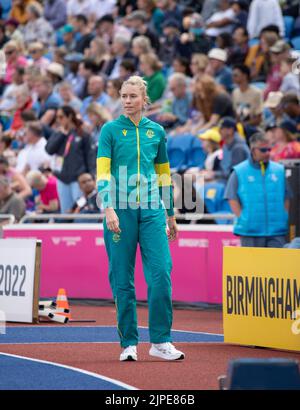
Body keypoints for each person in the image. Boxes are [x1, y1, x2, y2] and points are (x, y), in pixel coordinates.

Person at [97, 75, 185, 361]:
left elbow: (163, 175)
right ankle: (129, 343)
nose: (126, 101)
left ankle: (161, 342)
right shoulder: (109, 131)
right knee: (122, 279)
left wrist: (170, 214)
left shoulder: (156, 131)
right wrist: (107, 207)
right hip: (119, 210)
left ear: (144, 100)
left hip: (152, 210)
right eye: (123, 96)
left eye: (132, 96)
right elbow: (102, 173)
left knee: (161, 274)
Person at [225, 132, 290, 247]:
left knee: (277, 265)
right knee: (252, 265)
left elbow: (287, 196)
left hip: (276, 232)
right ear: (253, 150)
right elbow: (231, 197)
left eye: (269, 149)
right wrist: (243, 218)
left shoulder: (279, 170)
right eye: (263, 150)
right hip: (250, 232)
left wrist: (283, 215)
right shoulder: (239, 171)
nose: (268, 153)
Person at [46, 106, 96, 213]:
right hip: (62, 178)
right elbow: (49, 149)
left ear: (69, 117)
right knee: (65, 212)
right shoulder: (59, 133)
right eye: (57, 118)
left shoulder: (82, 133)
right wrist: (62, 134)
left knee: (78, 209)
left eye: (61, 117)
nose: (59, 120)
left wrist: (92, 175)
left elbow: (90, 156)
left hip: (78, 179)